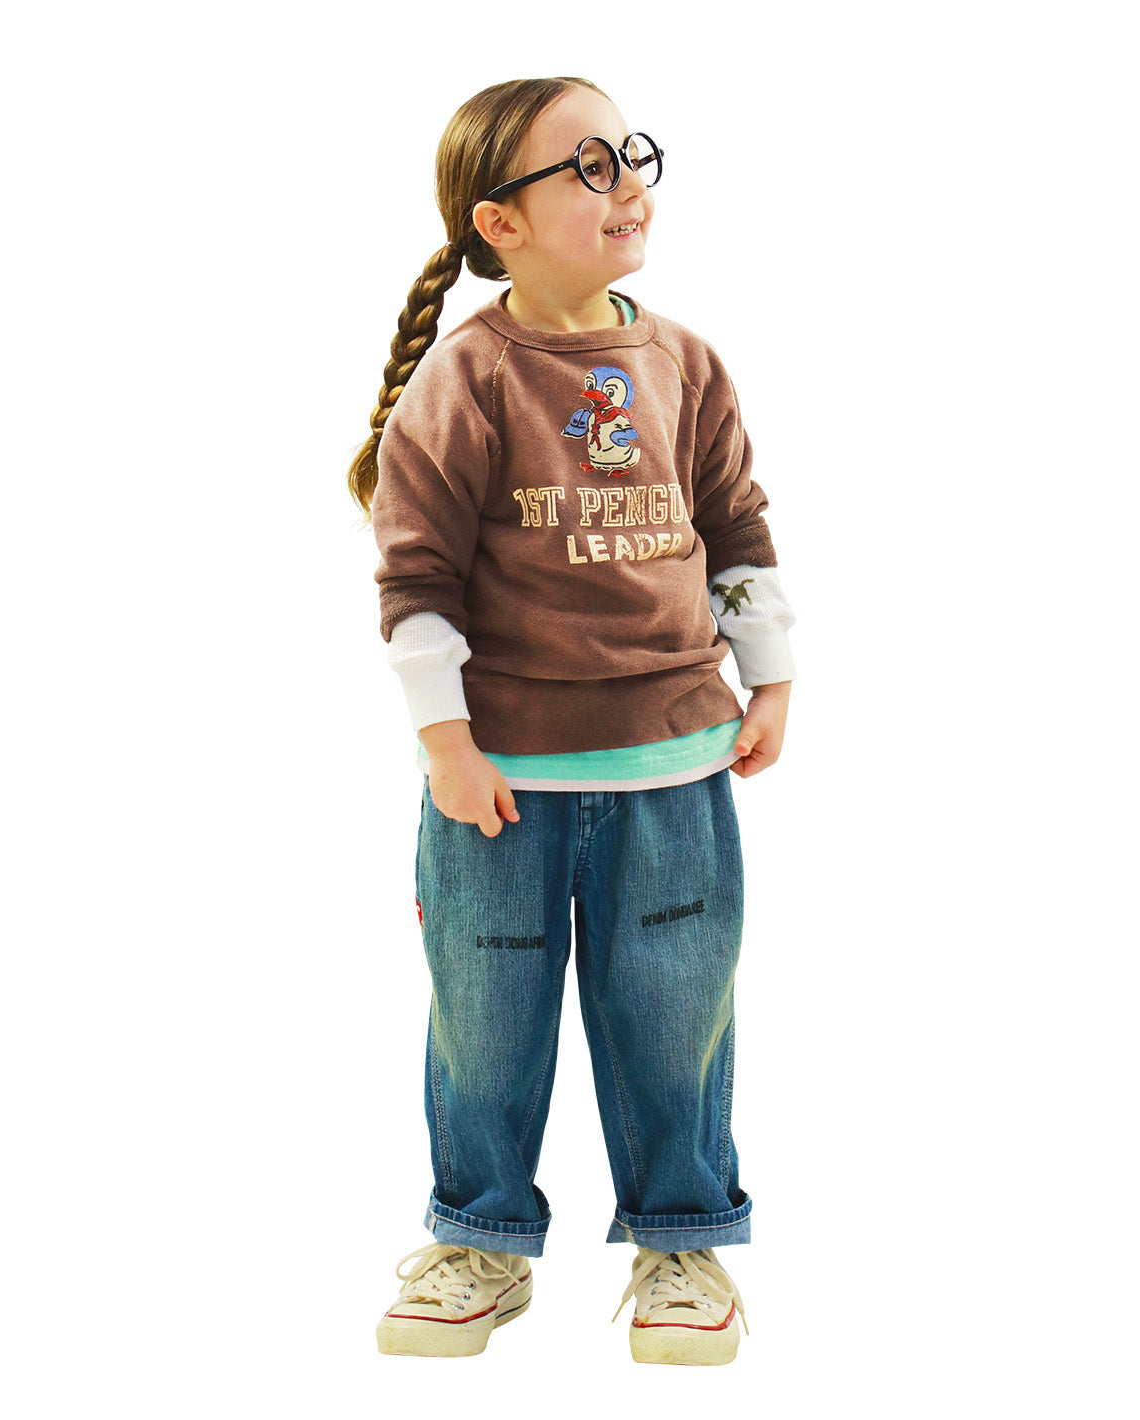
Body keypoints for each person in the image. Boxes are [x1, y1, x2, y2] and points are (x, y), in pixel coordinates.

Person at [348, 76, 797, 1366]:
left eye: (629, 155)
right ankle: (481, 1236)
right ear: (500, 222)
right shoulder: (468, 380)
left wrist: (770, 675)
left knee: (677, 1016)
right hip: (499, 784)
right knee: (485, 1023)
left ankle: (682, 1240)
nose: (627, 185)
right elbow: (415, 580)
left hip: (677, 767)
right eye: (587, 166)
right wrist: (445, 745)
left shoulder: (685, 365)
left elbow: (738, 525)